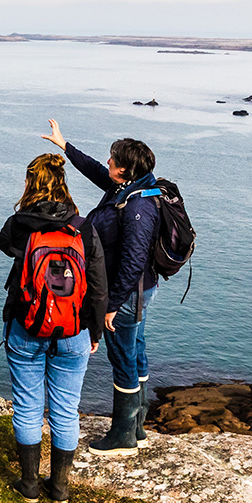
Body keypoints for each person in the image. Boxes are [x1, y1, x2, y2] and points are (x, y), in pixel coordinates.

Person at [43, 119, 159, 457]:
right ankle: (137, 428)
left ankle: (124, 434)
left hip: (127, 293)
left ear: (123, 169)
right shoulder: (128, 187)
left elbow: (133, 260)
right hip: (136, 291)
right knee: (135, 349)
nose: (107, 161)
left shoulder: (137, 207)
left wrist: (111, 304)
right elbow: (95, 170)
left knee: (123, 354)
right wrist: (65, 146)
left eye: (112, 159)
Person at [0, 153, 107, 503]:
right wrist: (96, 332)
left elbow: (2, 245)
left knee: (28, 406)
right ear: (64, 183)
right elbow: (99, 285)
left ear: (30, 183)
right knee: (65, 408)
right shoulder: (83, 226)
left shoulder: (20, 224)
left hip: (26, 325)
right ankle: (59, 488)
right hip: (74, 329)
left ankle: (29, 484)